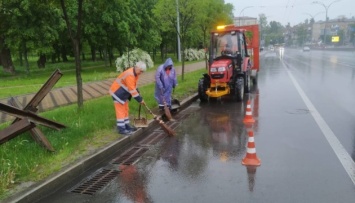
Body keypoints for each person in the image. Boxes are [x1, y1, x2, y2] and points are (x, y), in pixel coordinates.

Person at [109, 61, 146, 135]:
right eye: (141, 71)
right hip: (117, 93)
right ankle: (121, 129)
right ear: (137, 67)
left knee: (126, 109)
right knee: (120, 111)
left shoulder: (135, 74)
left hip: (123, 94)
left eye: (142, 72)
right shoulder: (130, 75)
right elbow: (132, 89)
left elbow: (134, 86)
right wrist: (139, 99)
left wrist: (138, 93)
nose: (141, 73)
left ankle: (127, 126)